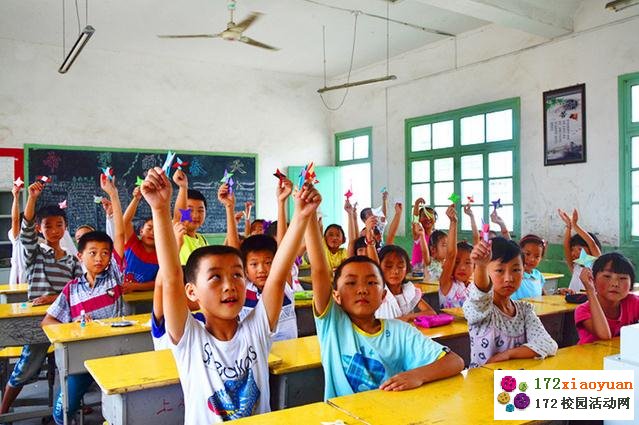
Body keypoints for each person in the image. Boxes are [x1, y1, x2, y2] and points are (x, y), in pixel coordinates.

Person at [141, 166, 317, 422]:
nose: (229, 285)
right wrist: (159, 209)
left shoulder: (256, 330)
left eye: (237, 275)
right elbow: (170, 278)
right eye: (215, 277)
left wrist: (301, 216)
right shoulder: (189, 339)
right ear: (191, 292)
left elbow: (277, 278)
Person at [305, 197, 463, 399]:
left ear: (383, 295)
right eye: (351, 283)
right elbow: (319, 271)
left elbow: (455, 362)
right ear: (335, 295)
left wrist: (417, 375)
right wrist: (308, 215)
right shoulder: (333, 325)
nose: (362, 290)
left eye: (371, 283)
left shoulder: (400, 332)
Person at [41, 172, 126, 424]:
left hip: (114, 353)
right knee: (61, 411)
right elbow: (48, 322)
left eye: (104, 253)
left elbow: (120, 237)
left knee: (118, 409)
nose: (100, 258)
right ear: (80, 257)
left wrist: (113, 194)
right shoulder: (71, 289)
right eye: (93, 253)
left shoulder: (114, 278)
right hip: (83, 356)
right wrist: (75, 330)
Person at [1, 180, 83, 415]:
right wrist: (33, 198)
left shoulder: (71, 259)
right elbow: (24, 231)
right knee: (27, 366)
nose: (55, 230)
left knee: (68, 364)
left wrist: (54, 297)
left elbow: (77, 289)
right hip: (37, 321)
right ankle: (4, 409)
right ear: (40, 229)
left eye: (59, 225)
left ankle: (69, 404)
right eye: (48, 226)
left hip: (64, 319)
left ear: (65, 227)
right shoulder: (34, 254)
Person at [464, 237, 558, 368]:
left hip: (514, 383)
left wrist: (507, 355)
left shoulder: (525, 310)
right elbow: (480, 295)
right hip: (483, 382)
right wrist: (480, 266)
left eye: (516, 270)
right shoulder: (481, 310)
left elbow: (548, 344)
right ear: (486, 272)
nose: (509, 278)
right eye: (499, 271)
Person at [574, 252, 639, 344]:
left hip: (619, 355)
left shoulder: (633, 302)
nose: (615, 284)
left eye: (623, 278)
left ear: (631, 284)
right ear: (593, 279)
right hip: (590, 357)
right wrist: (590, 290)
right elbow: (604, 335)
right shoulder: (583, 310)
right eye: (607, 276)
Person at [375, 245, 436, 321]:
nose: (395, 271)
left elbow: (431, 313)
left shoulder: (408, 291)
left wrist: (407, 317)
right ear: (379, 268)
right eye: (389, 266)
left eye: (400, 266)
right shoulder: (377, 292)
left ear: (407, 269)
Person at [121, 186, 158, 292]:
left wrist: (135, 287)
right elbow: (125, 222)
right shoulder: (132, 243)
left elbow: (158, 282)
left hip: (143, 301)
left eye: (157, 231)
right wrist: (136, 199)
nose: (152, 233)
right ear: (141, 231)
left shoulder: (161, 256)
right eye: (149, 228)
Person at [558, 208, 602, 293]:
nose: (574, 253)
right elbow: (566, 246)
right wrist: (568, 226)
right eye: (572, 250)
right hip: (574, 304)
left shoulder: (596, 265)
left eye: (579, 249)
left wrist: (575, 225)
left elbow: (592, 243)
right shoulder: (575, 267)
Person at [438, 204, 472, 308]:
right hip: (449, 325)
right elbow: (451, 254)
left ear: (475, 267)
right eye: (457, 262)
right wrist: (453, 222)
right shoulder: (447, 284)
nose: (462, 267)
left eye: (468, 263)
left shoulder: (474, 287)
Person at [173, 170, 209, 265]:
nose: (196, 215)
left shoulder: (202, 239)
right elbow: (178, 216)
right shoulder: (176, 232)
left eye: (200, 210)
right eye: (190, 210)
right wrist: (183, 187)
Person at [511, 234, 547, 300]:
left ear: (541, 258)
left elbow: (544, 296)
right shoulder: (514, 274)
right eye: (527, 254)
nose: (532, 259)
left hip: (536, 310)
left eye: (537, 256)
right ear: (519, 253)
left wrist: (557, 292)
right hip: (518, 309)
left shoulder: (538, 275)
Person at [8, 180, 25, 285]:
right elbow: (15, 219)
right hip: (19, 278)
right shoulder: (18, 237)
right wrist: (16, 197)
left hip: (35, 280)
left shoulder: (40, 241)